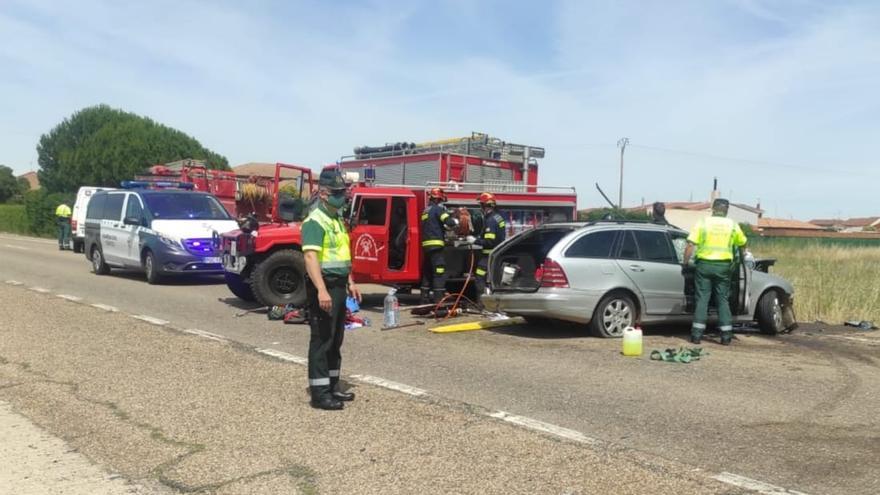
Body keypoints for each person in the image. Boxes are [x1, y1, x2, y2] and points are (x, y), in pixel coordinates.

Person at [302, 169, 362, 410]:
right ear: (324, 194)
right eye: (338, 193)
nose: (343, 197)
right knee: (322, 339)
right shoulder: (315, 221)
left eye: (343, 192)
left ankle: (332, 385)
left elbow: (342, 255)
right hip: (324, 285)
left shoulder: (336, 220)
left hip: (338, 285)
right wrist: (321, 290)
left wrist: (350, 281)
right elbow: (310, 257)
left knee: (336, 338)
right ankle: (320, 393)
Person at [681, 198, 747, 345]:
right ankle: (725, 337)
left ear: (713, 208)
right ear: (727, 210)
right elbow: (743, 243)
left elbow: (690, 245)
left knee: (702, 299)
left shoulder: (703, 222)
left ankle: (696, 336)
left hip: (704, 266)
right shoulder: (732, 225)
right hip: (723, 267)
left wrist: (685, 263)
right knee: (722, 300)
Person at [420, 187, 457, 303]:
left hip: (427, 246)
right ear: (438, 199)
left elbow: (432, 225)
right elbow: (448, 222)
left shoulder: (425, 210)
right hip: (436, 245)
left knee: (427, 271)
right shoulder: (437, 209)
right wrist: (455, 221)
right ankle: (438, 301)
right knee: (439, 272)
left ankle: (424, 299)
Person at [472, 192, 506, 303]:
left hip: (488, 255)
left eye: (481, 205)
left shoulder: (490, 220)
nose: (480, 207)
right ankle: (492, 304)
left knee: (479, 278)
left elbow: (489, 241)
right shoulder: (498, 217)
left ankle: (482, 305)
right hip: (496, 255)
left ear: (485, 206)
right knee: (492, 280)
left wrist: (475, 241)